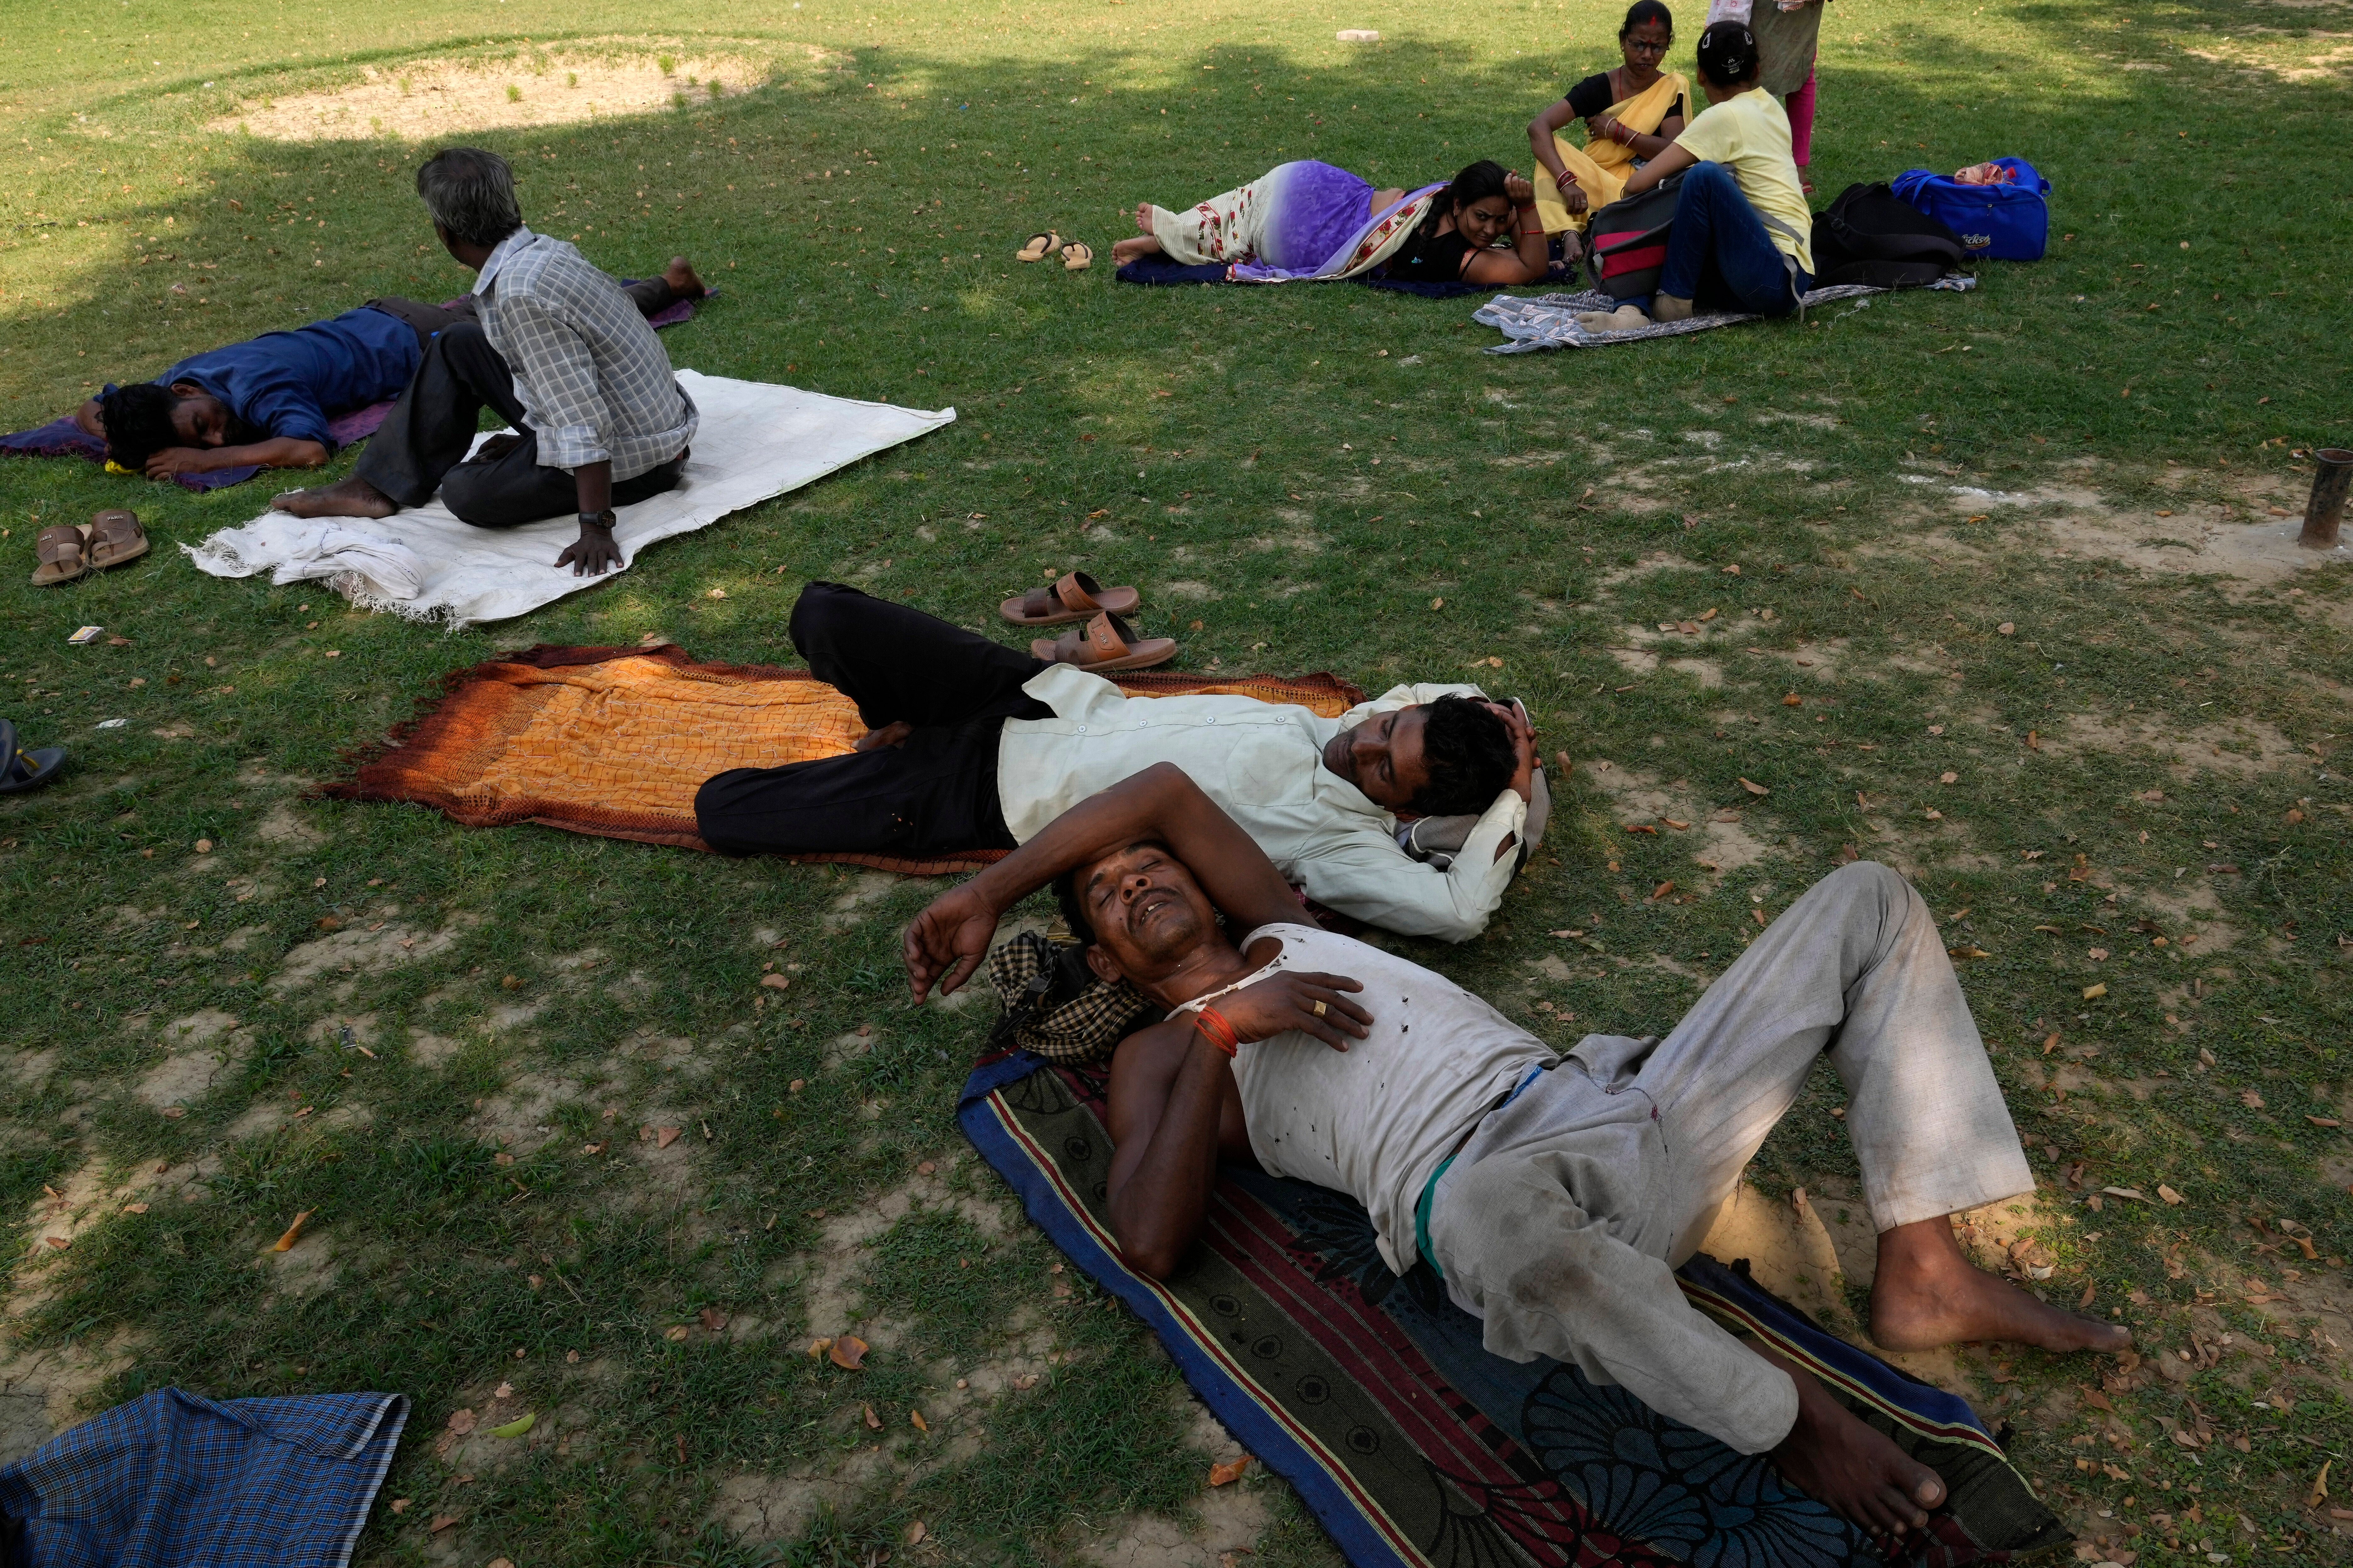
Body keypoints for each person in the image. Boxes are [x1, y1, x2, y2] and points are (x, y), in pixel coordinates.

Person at [899, 775, 2132, 1546]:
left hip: (1619, 1109)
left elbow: (1159, 786)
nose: (1134, 880)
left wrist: (996, 886)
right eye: (1106, 898)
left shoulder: (1285, 922)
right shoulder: (1165, 1053)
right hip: (1481, 1196)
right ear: (1106, 964)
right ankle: (1789, 1420)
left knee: (1865, 897)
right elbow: (1150, 1239)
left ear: (1208, 887)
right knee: (1495, 1208)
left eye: (1146, 866)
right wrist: (1225, 1027)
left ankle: (1922, 1268)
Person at [693, 582, 1536, 941]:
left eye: (1387, 766)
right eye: (1392, 726)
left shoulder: (1338, 842)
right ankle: (900, 715)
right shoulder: (1356, 723)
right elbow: (1450, 697)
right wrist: (1506, 730)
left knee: (723, 807)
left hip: (983, 795)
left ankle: (896, 749)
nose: (1365, 742)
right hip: (1030, 695)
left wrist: (1511, 792)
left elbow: (1458, 912)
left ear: (1399, 810)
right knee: (825, 613)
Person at [271, 147, 698, 578]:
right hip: (651, 426)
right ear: (512, 207)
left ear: (444, 233)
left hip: (643, 463)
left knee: (464, 491)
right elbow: (569, 374)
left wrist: (596, 527)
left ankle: (396, 484)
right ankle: (377, 486)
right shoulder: (543, 252)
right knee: (457, 341)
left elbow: (583, 420)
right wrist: (533, 437)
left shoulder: (520, 293)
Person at [81, 261, 705, 481]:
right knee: (517, 305)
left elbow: (308, 451)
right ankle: (643, 283)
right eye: (202, 439)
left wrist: (205, 462)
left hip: (419, 336)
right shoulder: (178, 383)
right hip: (383, 319)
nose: (220, 436)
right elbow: (92, 408)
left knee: (539, 321)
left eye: (207, 425)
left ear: (188, 393)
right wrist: (118, 435)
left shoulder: (263, 390)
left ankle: (665, 286)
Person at [1578, 19, 1814, 331]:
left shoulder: (1721, 117)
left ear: (1701, 76)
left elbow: (1637, 184)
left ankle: (1671, 300)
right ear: (1757, 70)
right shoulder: (1770, 107)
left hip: (1775, 278)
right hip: (1782, 274)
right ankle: (1632, 310)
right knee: (1696, 187)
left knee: (1702, 178)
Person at [1108, 159, 1554, 287]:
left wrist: (1512, 211)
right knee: (1241, 240)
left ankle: (1168, 233)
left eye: (1501, 221)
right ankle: (1163, 240)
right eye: (1482, 218)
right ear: (1457, 206)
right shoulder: (1458, 254)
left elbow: (1514, 243)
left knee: (1233, 218)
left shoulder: (1433, 200)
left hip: (1310, 181)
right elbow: (1530, 267)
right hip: (1305, 235)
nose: (1491, 230)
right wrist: (1527, 211)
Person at [1525, 2, 1690, 235]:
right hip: (1594, 180)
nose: (1647, 55)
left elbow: (1674, 152)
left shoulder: (1671, 88)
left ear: (1668, 45)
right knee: (1550, 156)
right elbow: (1538, 127)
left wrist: (1618, 133)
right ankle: (1571, 233)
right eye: (1639, 44)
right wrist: (1567, 182)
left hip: (1641, 188)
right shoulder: (1598, 88)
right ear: (1623, 41)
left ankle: (1583, 226)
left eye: (1658, 47)